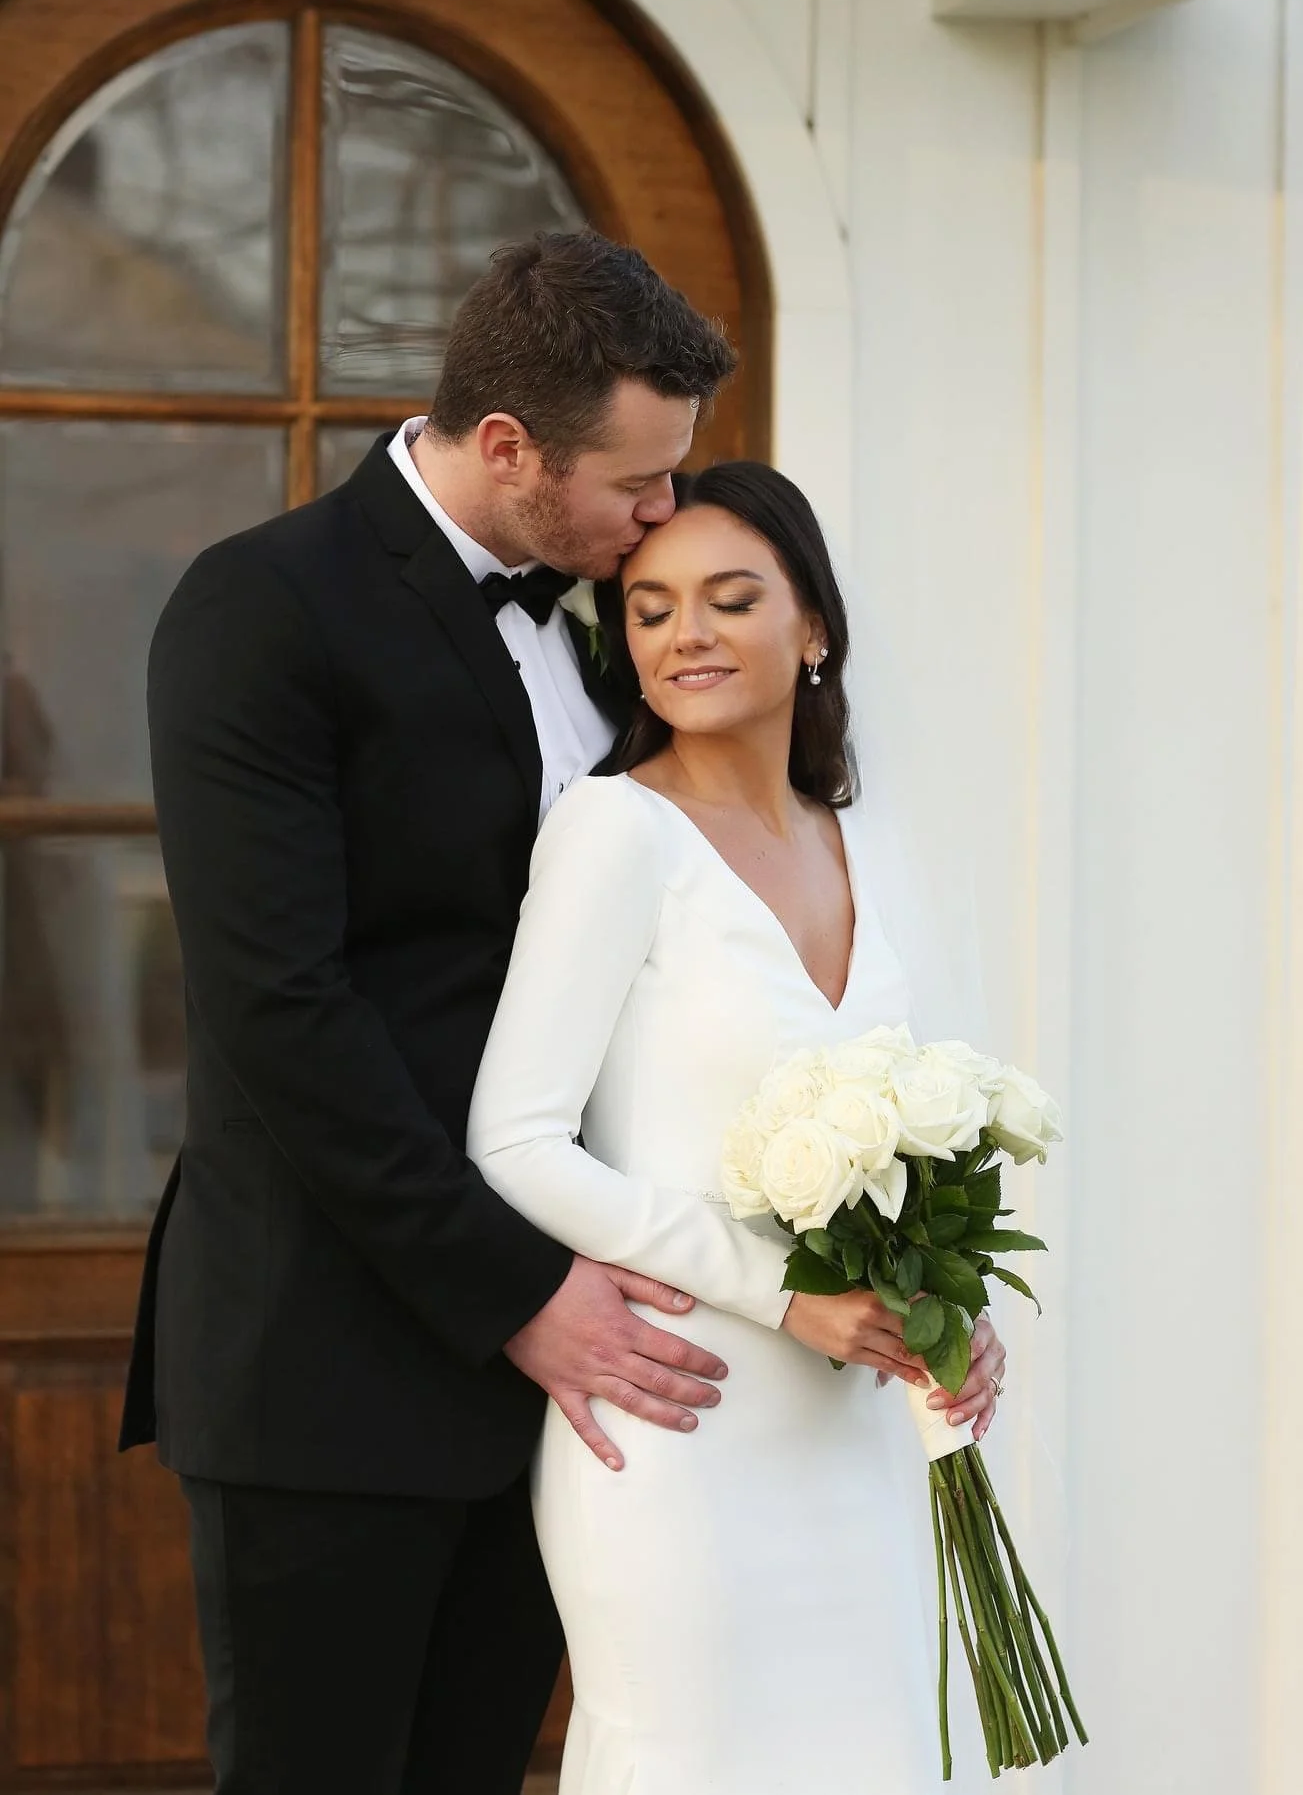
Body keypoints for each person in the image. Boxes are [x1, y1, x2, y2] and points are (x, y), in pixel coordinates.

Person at [120, 232, 757, 1795]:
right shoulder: (260, 610)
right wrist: (515, 1288)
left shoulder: (615, 620)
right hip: (329, 1360)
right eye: (638, 482)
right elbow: (283, 1012)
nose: (664, 515)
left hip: (554, 1383)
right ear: (505, 449)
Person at [467, 461, 1007, 1794]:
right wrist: (782, 1294)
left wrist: (949, 1299)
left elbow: (934, 1119)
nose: (684, 634)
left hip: (864, 1428)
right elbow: (516, 1139)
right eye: (647, 610)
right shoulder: (614, 832)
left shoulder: (866, 845)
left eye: (727, 598)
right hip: (680, 1427)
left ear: (811, 624)